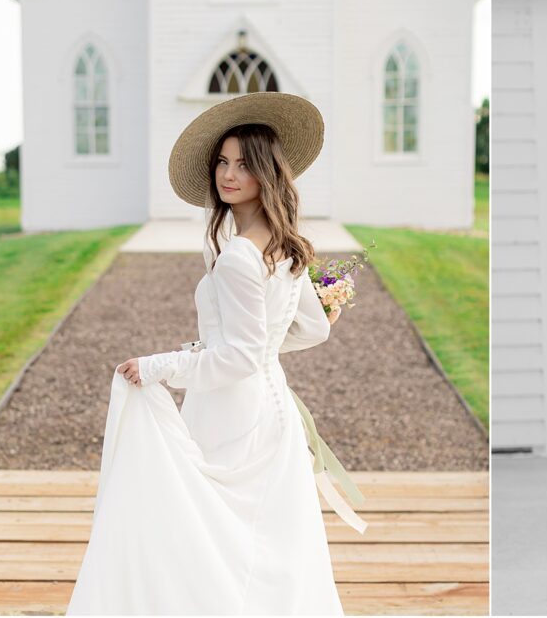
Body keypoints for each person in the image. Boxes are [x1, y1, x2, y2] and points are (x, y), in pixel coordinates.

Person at [67, 92, 364, 615]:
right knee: (262, 534)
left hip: (234, 410)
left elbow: (238, 358)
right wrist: (262, 346)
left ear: (267, 173)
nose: (229, 174)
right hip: (273, 409)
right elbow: (308, 332)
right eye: (223, 162)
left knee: (212, 529)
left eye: (244, 164)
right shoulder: (285, 243)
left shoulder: (240, 257)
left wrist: (160, 366)